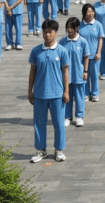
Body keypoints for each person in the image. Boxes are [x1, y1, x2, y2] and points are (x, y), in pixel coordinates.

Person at [28, 19, 69, 163]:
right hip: (40, 93)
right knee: (39, 123)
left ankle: (59, 149)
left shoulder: (62, 51)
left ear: (56, 33)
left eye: (50, 32)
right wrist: (30, 90)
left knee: (59, 123)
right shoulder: (36, 51)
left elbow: (65, 72)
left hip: (57, 94)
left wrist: (66, 91)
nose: (47, 35)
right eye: (45, 32)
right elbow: (32, 72)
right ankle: (41, 149)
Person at [61, 17, 91, 128]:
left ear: (77, 28)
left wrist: (85, 71)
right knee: (67, 96)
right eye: (67, 27)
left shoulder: (82, 41)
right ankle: (67, 116)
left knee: (79, 97)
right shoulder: (62, 42)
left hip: (78, 73)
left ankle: (79, 116)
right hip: (66, 75)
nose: (69, 30)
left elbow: (86, 57)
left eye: (71, 27)